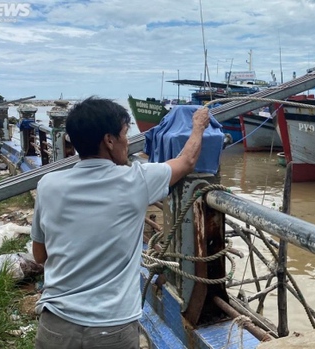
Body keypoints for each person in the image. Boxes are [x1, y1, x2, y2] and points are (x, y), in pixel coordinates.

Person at [31, 97, 211, 349]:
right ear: (109, 140)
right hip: (112, 329)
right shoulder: (136, 180)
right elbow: (187, 161)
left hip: (55, 326)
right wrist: (198, 126)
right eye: (125, 133)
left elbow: (40, 255)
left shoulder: (48, 185)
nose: (128, 142)